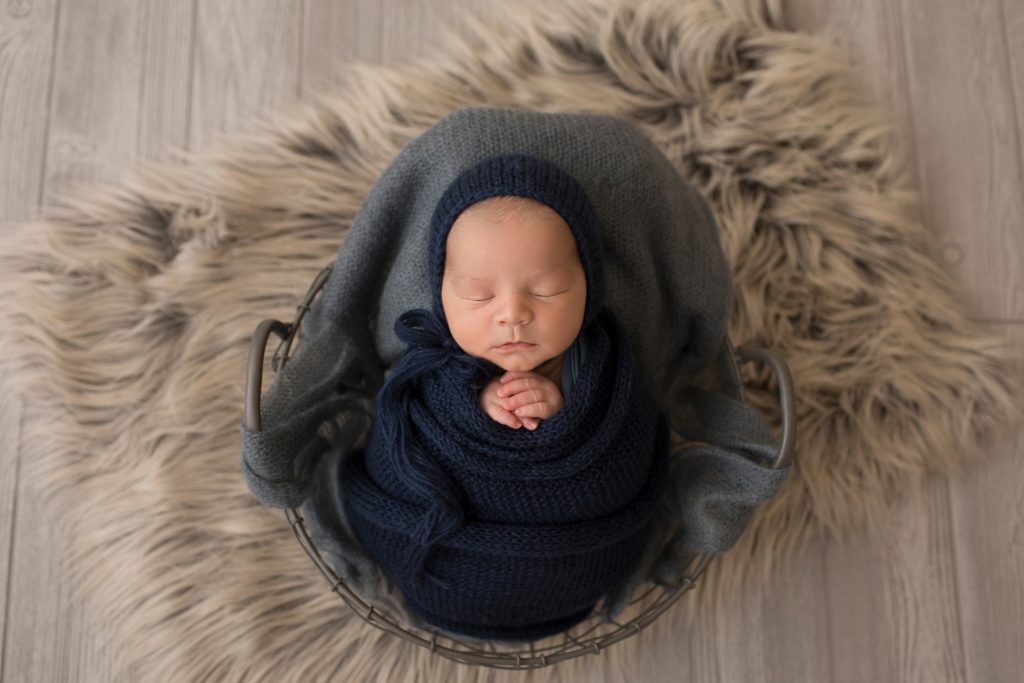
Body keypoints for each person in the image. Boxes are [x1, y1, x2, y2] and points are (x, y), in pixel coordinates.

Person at [440, 194, 585, 432]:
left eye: (545, 291)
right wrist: (472, 407)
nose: (513, 314)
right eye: (479, 295)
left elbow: (628, 440)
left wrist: (566, 417)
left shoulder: (604, 368)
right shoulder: (429, 373)